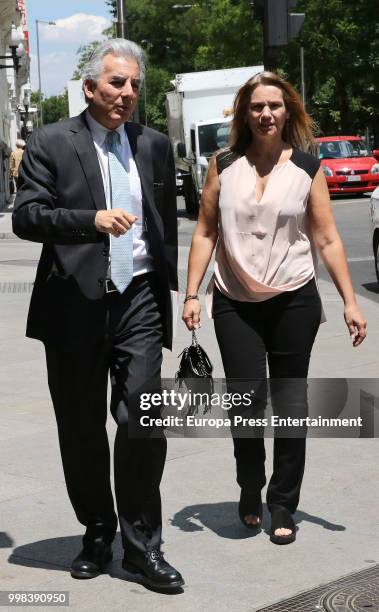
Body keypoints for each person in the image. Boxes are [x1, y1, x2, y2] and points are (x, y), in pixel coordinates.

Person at [12, 39, 184, 591]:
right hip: (74, 304)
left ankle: (142, 547)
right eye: (116, 83)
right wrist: (90, 221)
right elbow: (27, 216)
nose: (128, 94)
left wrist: (173, 291)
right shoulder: (50, 142)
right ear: (90, 88)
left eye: (135, 84)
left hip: (136, 299)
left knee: (143, 421)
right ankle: (97, 530)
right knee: (81, 428)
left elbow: (164, 227)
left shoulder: (155, 144)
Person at [182, 71, 366, 545]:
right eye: (257, 107)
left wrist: (350, 301)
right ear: (245, 112)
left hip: (294, 300)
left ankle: (282, 502)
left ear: (289, 113)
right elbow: (205, 231)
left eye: (275, 107)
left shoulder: (307, 167)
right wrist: (191, 293)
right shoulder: (222, 164)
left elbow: (326, 236)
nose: (266, 114)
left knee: (291, 404)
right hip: (235, 301)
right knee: (245, 405)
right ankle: (250, 486)